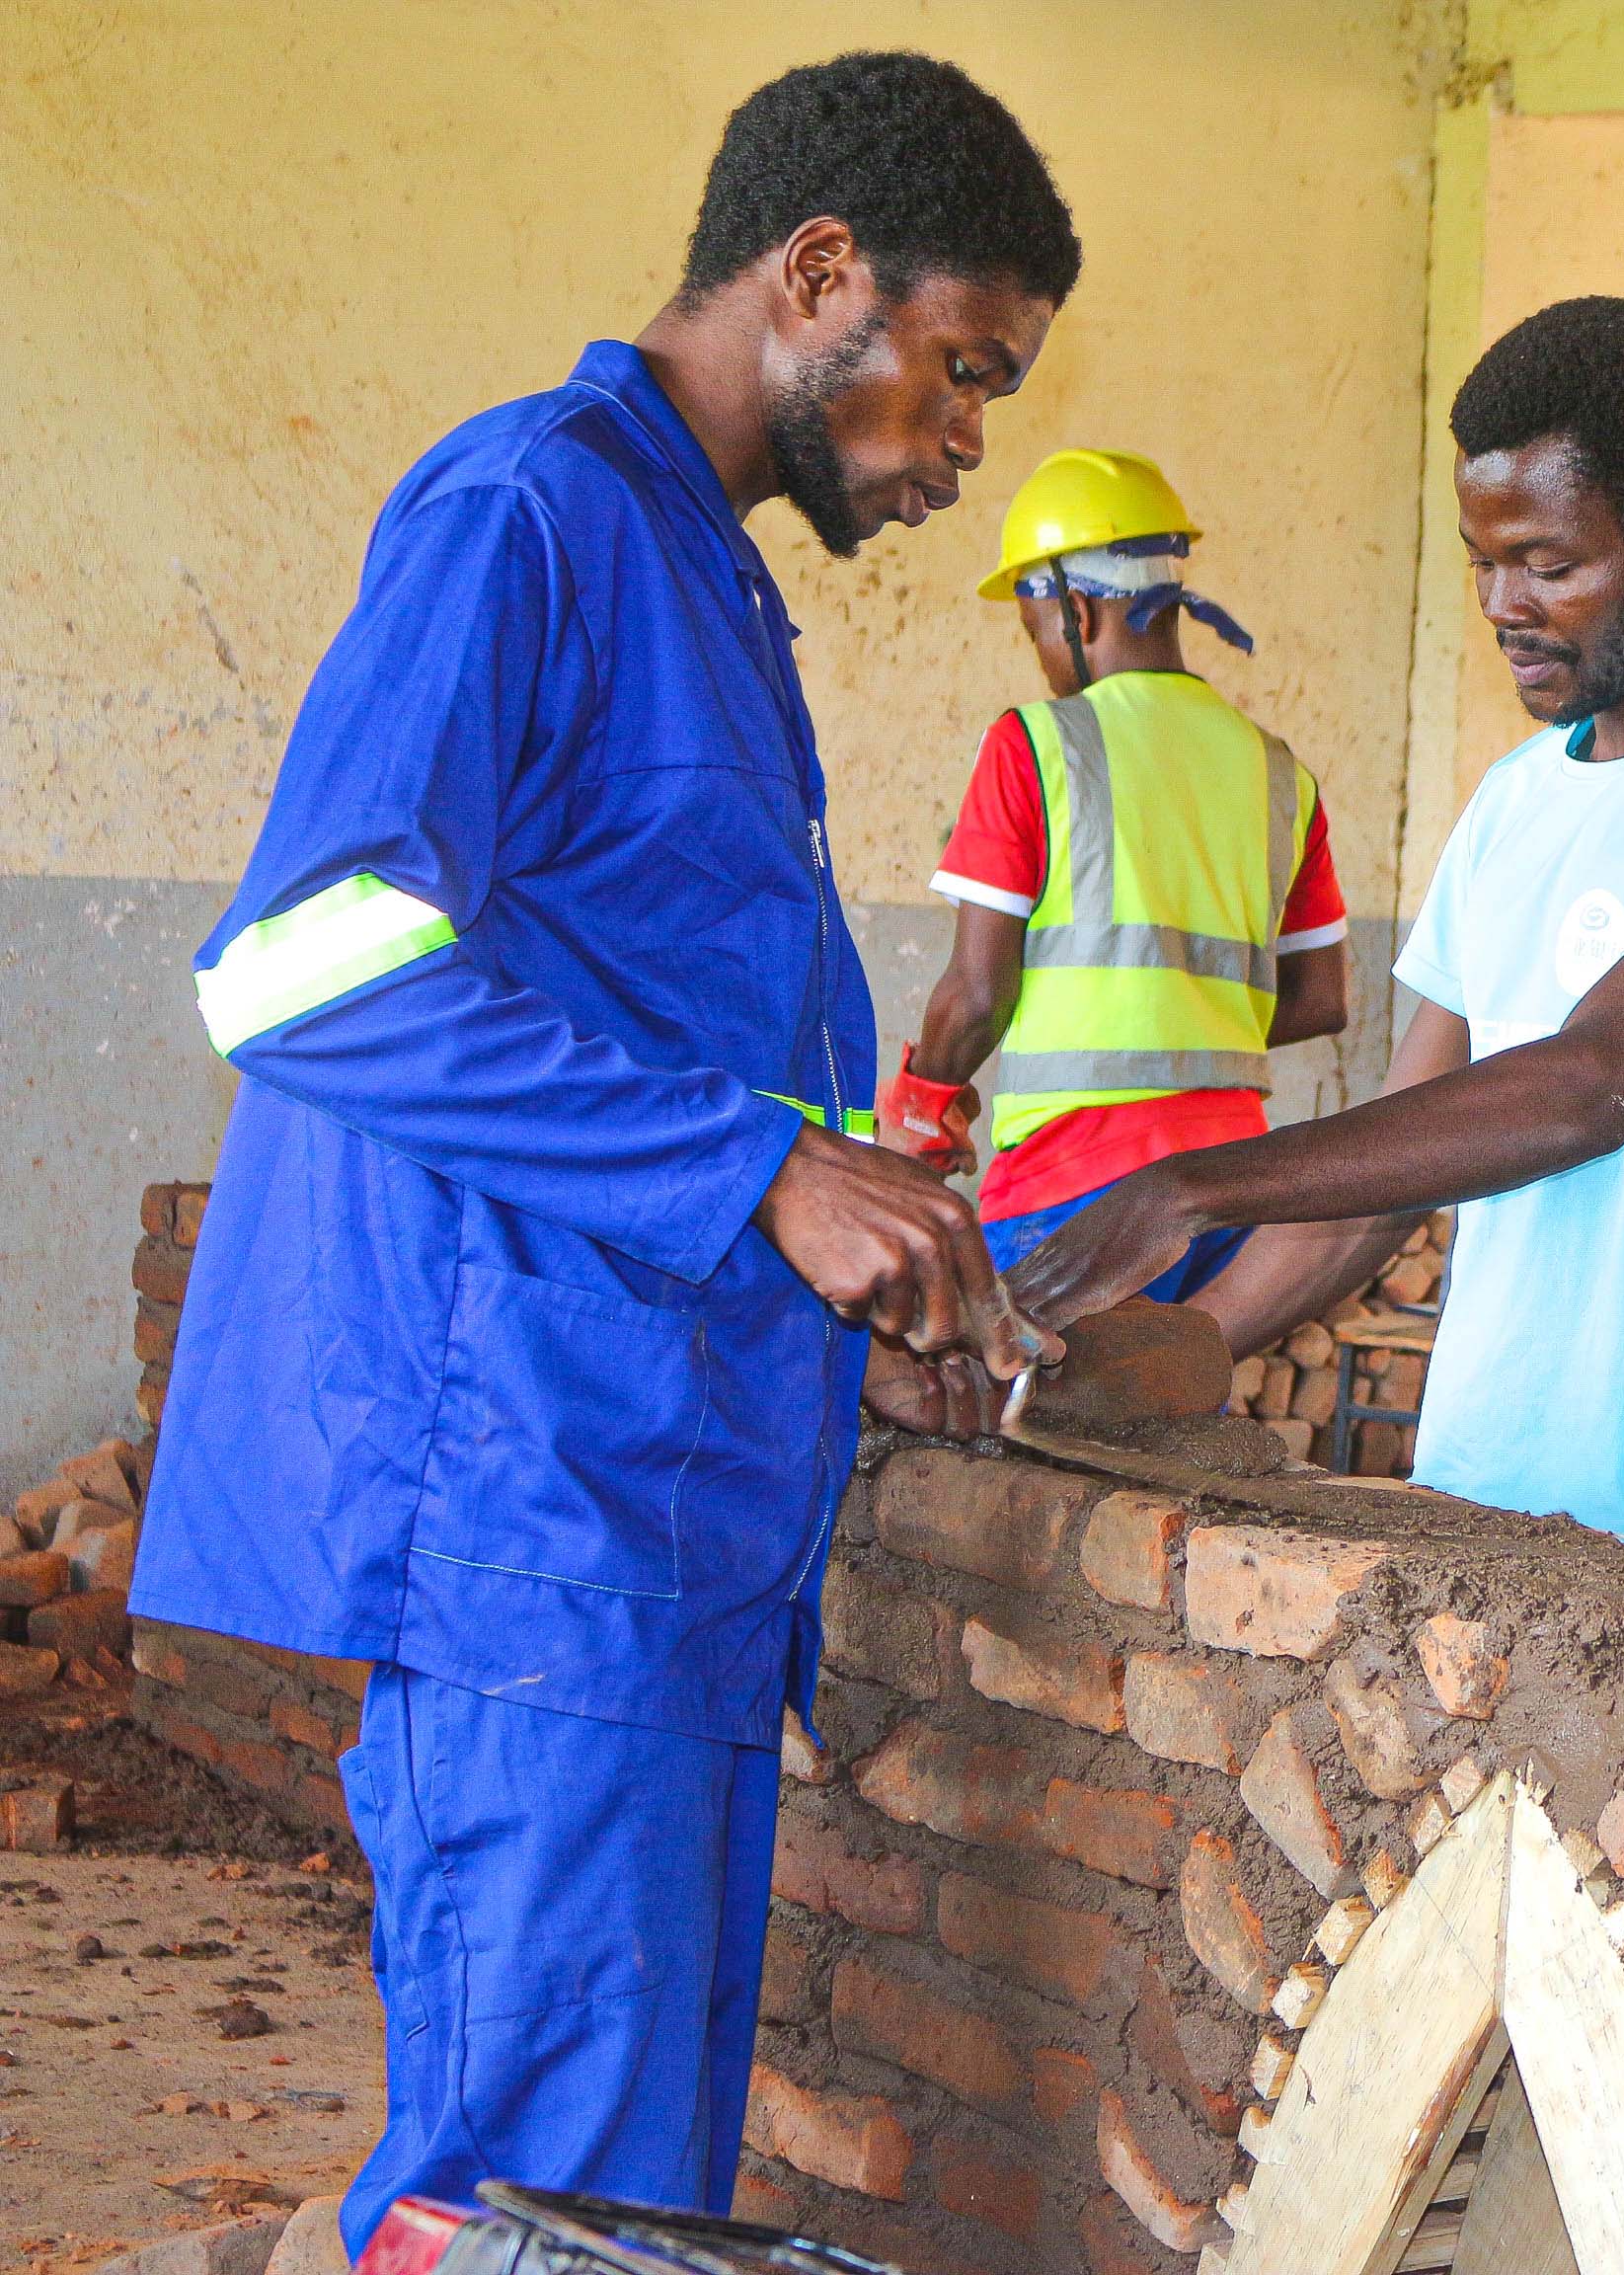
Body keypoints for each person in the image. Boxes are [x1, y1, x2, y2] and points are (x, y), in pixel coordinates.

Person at [132, 55, 1073, 2245]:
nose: (959, 450)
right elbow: (297, 969)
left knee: (611, 2207)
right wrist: (768, 1181)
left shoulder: (705, 573)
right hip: (531, 1530)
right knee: (535, 2199)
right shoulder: (530, 513)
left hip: (659, 1526)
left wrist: (860, 1260)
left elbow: (666, 1012)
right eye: (960, 377)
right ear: (818, 272)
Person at [1007, 297, 1624, 1568]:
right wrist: (1189, 1346)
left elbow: (1594, 1085)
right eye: (1482, 562)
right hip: (1472, 1508)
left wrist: (1189, 1186)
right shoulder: (1517, 799)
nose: (1502, 604)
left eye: (1547, 562)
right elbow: (1401, 1158)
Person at [881, 447, 1350, 1288]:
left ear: (1076, 612)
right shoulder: (1280, 770)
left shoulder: (1037, 745)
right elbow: (1321, 997)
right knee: (1177, 1413)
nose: (1042, 659)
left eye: (1034, 634)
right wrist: (1180, 1023)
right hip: (1232, 1191)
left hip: (1075, 1192)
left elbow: (980, 994)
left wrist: (920, 1103)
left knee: (1011, 1413)